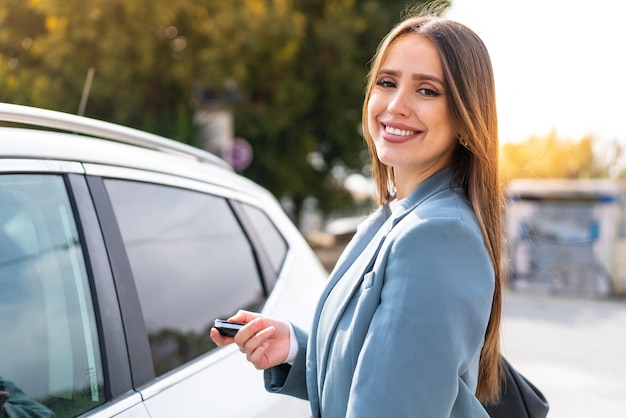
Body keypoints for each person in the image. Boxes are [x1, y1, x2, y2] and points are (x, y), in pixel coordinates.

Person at [211, 13, 503, 418]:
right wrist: (295, 348)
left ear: (466, 116)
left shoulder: (438, 236)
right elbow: (376, 367)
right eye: (387, 82)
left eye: (427, 90)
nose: (396, 106)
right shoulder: (394, 218)